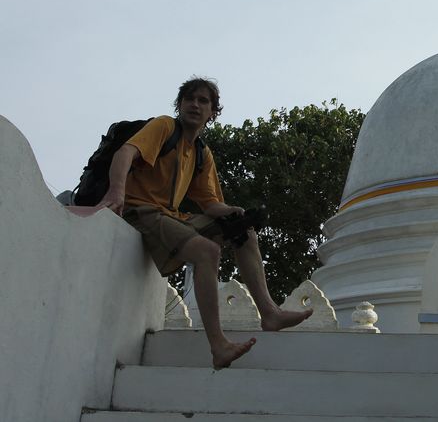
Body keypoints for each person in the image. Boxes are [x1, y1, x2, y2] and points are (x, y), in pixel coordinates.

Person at [97, 77, 312, 369]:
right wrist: (116, 191)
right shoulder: (164, 127)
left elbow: (210, 204)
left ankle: (270, 312)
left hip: (171, 215)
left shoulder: (201, 153)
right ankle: (219, 346)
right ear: (180, 104)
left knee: (243, 232)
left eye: (203, 101)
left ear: (213, 112)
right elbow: (125, 153)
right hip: (141, 210)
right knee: (206, 251)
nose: (195, 105)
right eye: (190, 99)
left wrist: (235, 213)